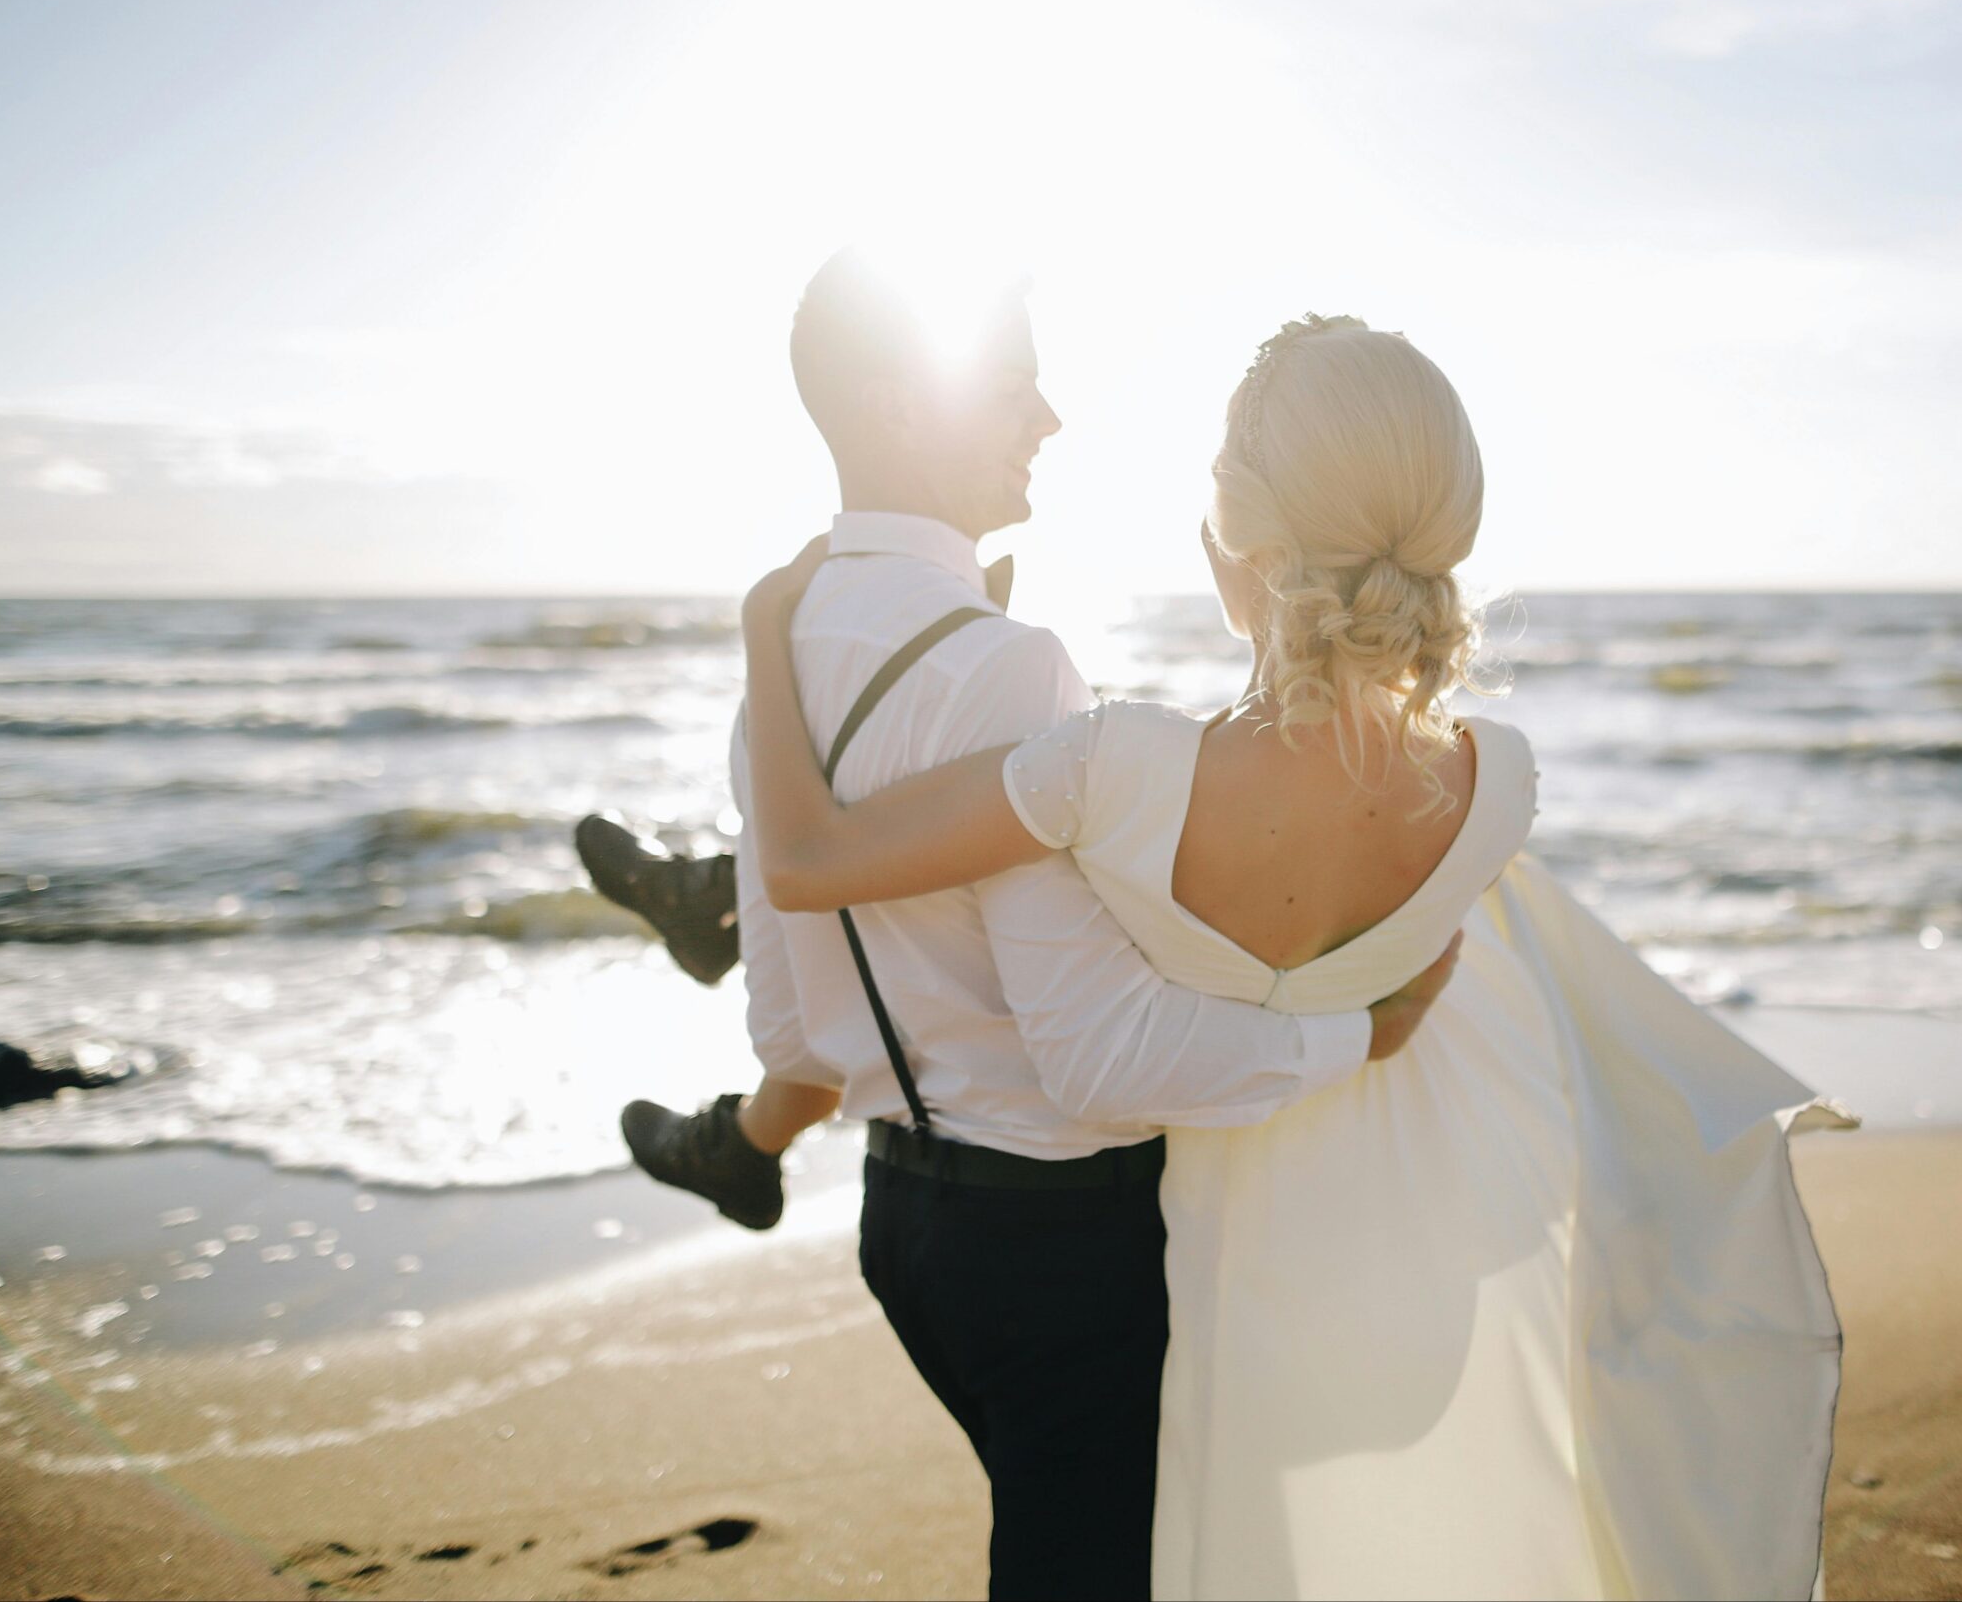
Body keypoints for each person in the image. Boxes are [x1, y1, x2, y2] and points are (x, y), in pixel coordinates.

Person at [733, 312, 1855, 1600]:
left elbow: (813, 861)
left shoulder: (1115, 771)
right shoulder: (1500, 788)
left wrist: (772, 634)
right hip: (1407, 1270)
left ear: (1234, 546)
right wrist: (1365, 1026)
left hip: (1209, 1288)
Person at [620, 251, 1461, 1601]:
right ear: (902, 408)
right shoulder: (1011, 667)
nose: (1051, 418)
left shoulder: (779, 665)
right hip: (1060, 1254)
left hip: (903, 1229)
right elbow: (1098, 1057)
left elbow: (792, 1026)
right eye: (1014, 388)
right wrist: (1358, 1035)